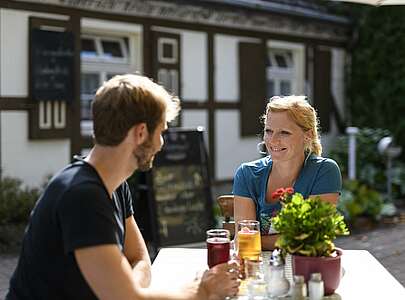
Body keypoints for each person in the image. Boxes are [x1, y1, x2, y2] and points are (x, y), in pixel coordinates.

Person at [7, 74, 239, 300]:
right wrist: (203, 292)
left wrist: (127, 289)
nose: (161, 144)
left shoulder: (113, 185)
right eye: (161, 132)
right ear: (140, 133)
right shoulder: (82, 195)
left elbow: (139, 258)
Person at [233, 95, 342, 250]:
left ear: (308, 134)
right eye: (269, 131)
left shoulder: (324, 172)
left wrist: (255, 241)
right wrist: (292, 239)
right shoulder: (247, 174)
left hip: (305, 267)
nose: (273, 140)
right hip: (256, 268)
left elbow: (312, 238)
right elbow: (243, 239)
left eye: (284, 132)